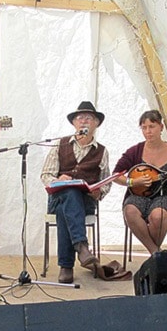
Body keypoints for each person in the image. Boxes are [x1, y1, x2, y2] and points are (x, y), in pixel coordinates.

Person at [40, 101, 111, 284]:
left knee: (69, 204)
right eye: (80, 118)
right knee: (69, 194)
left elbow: (106, 181)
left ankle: (66, 266)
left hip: (86, 202)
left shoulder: (102, 151)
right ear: (74, 123)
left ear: (96, 124)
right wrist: (58, 180)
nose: (84, 121)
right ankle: (82, 247)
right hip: (58, 199)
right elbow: (45, 174)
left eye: (89, 118)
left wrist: (99, 191)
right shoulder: (60, 144)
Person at [113, 110, 167, 255]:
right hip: (138, 195)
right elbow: (116, 176)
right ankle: (156, 253)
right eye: (144, 127)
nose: (148, 131)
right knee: (130, 211)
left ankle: (154, 255)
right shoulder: (135, 151)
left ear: (161, 127)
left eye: (152, 126)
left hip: (166, 196)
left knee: (158, 216)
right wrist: (132, 182)